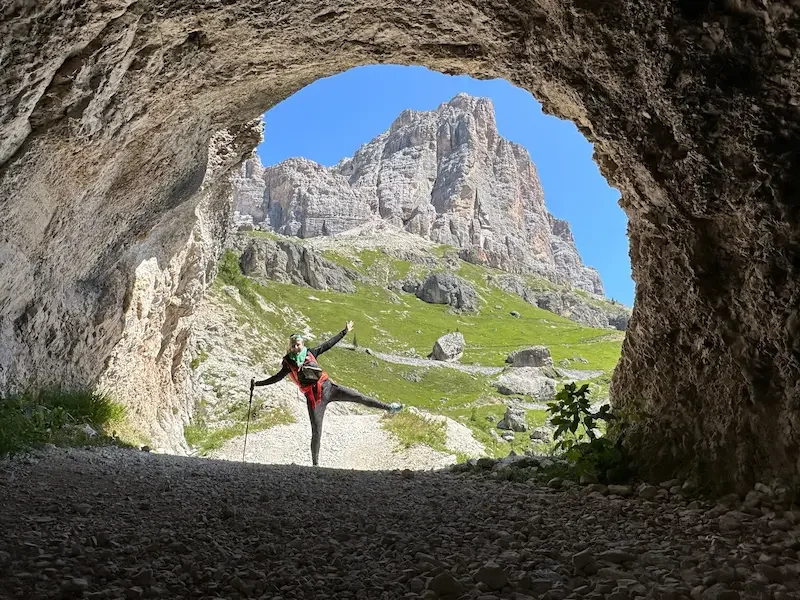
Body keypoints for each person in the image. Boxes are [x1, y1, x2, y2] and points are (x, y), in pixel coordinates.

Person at [251, 320, 403, 466]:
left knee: (359, 397)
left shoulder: (311, 352)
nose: (296, 348)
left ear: (302, 344)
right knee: (316, 431)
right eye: (293, 346)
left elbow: (328, 344)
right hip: (314, 399)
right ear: (289, 347)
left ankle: (389, 407)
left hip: (329, 388)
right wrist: (258, 384)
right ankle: (315, 464)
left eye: (298, 344)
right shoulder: (288, 363)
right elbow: (276, 378)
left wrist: (344, 332)